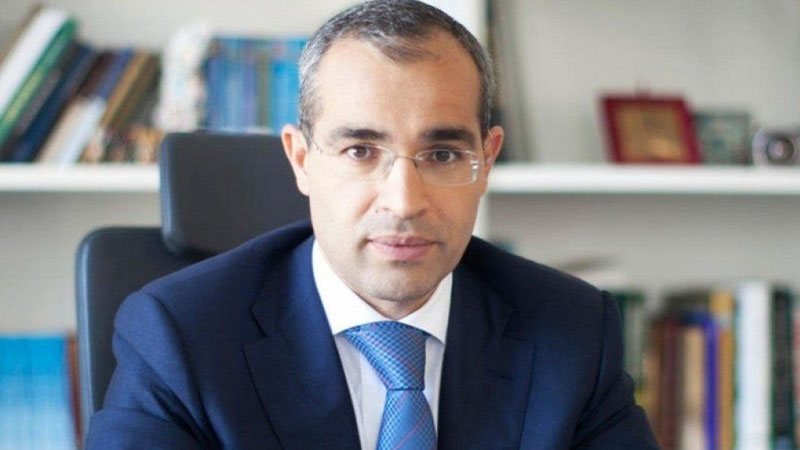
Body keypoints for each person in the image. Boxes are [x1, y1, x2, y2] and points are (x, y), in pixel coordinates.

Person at [85, 1, 658, 448]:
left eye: (443, 155)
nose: (403, 202)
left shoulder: (572, 333)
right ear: (301, 160)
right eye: (361, 151)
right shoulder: (180, 337)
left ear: (486, 161)